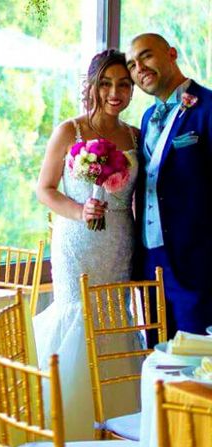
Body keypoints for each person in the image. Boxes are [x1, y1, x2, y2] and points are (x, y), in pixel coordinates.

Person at [33, 49, 142, 440]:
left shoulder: (134, 135)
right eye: (107, 84)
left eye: (124, 85)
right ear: (92, 86)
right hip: (76, 241)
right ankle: (72, 428)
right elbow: (44, 190)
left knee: (114, 318)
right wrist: (80, 210)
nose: (115, 92)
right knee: (78, 317)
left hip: (118, 239)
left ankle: (116, 430)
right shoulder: (70, 131)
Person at [127, 33, 212, 338]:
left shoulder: (209, 108)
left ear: (172, 53)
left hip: (198, 263)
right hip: (151, 262)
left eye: (146, 56)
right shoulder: (148, 117)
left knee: (199, 365)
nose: (139, 68)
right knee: (157, 360)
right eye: (132, 65)